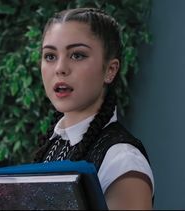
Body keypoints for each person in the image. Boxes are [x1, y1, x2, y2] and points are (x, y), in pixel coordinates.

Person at [33, 7, 154, 210]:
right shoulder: (53, 145)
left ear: (110, 70)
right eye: (50, 56)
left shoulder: (122, 161)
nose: (60, 68)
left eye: (77, 55)